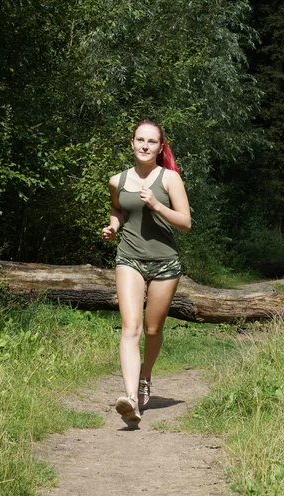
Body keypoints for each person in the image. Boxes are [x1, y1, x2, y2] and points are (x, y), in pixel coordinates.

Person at [102, 120, 191, 425]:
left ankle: (145, 376)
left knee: (153, 331)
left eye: (151, 142)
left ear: (160, 147)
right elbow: (118, 209)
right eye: (140, 140)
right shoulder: (118, 180)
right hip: (129, 259)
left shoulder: (170, 180)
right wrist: (114, 226)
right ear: (132, 143)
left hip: (165, 263)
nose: (145, 146)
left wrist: (155, 204)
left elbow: (185, 222)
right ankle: (130, 400)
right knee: (131, 328)